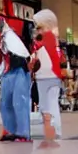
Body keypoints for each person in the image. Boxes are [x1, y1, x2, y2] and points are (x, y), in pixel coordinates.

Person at [29, 9, 65, 141]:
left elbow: (36, 54)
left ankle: (53, 130)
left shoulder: (47, 38)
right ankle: (54, 130)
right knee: (50, 103)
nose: (37, 31)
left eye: (39, 27)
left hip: (46, 77)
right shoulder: (53, 39)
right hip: (50, 77)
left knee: (47, 105)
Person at [0, 19, 32, 142]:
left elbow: (22, 53)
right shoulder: (2, 39)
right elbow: (4, 58)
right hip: (8, 72)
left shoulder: (10, 36)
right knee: (5, 102)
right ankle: (10, 130)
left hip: (20, 71)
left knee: (19, 101)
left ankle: (22, 133)